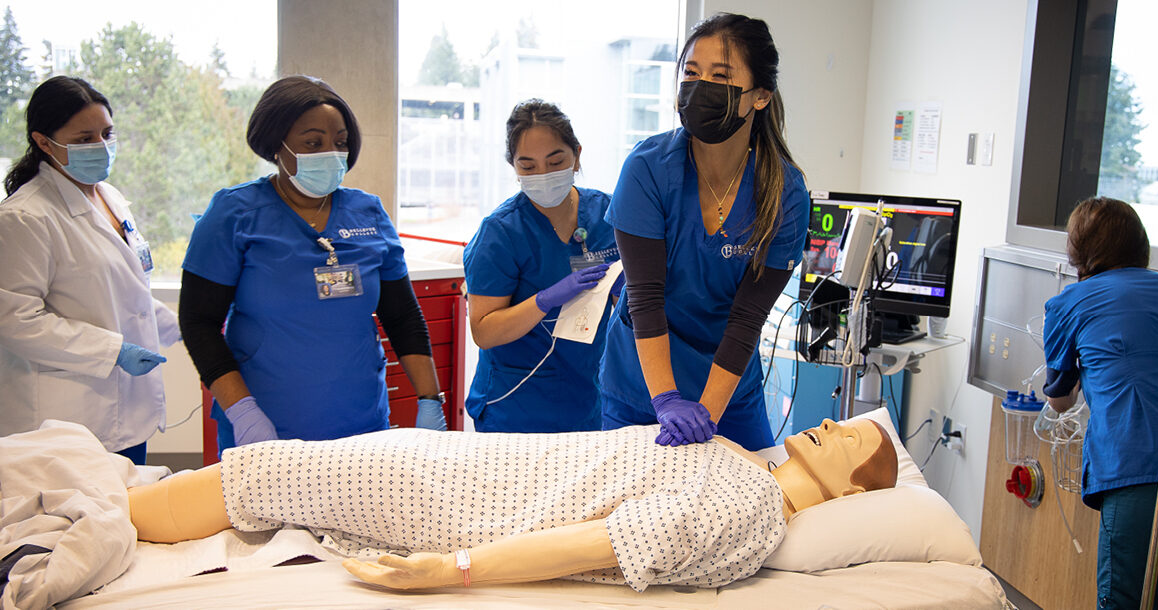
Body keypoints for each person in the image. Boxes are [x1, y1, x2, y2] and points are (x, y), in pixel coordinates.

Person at [128, 417, 897, 592]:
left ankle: (108, 521)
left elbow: (604, 544)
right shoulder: (743, 467)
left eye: (850, 439)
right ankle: (112, 508)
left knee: (268, 476)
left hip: (458, 499)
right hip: (466, 465)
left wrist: (453, 571)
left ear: (853, 490)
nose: (830, 422)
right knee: (278, 476)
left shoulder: (749, 512)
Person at [179, 75, 446, 452]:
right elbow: (199, 322)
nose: (331, 153)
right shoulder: (235, 215)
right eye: (313, 142)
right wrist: (243, 412)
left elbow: (402, 317)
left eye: (340, 143)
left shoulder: (367, 213)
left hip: (362, 425)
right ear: (277, 145)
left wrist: (430, 401)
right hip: (266, 429)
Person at [600, 13, 809, 451]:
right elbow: (645, 298)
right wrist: (668, 401)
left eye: (721, 75)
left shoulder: (783, 192)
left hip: (729, 389)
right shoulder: (648, 170)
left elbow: (748, 318)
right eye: (691, 72)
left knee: (758, 502)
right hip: (642, 386)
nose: (700, 87)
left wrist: (706, 418)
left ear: (760, 97)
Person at [0, 76, 177, 465]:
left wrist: (188, 327)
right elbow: (14, 321)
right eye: (83, 139)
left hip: (126, 409)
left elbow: (129, 294)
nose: (100, 147)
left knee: (128, 510)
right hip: (66, 415)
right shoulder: (25, 217)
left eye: (107, 133)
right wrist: (113, 350)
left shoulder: (108, 196)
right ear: (44, 142)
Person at [462, 100, 620, 432]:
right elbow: (484, 331)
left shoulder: (607, 214)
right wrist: (543, 301)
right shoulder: (500, 233)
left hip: (587, 398)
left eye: (555, 161)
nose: (543, 176)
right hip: (515, 404)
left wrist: (627, 295)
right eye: (528, 166)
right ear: (513, 166)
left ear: (576, 155)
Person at [1042, 196, 1158, 610]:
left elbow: (1059, 399)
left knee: (1122, 599)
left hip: (1132, 464)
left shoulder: (1070, 303)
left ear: (1078, 252)